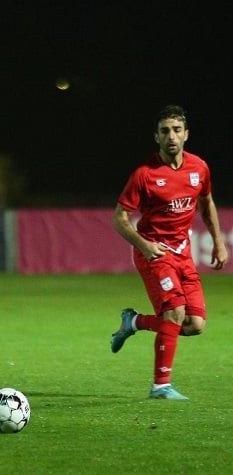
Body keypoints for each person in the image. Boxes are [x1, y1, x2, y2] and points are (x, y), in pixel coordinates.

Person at [110, 104, 228, 400]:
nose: (171, 136)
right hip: (154, 253)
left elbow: (207, 202)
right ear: (156, 137)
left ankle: (134, 322)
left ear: (186, 134)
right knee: (175, 313)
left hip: (183, 253)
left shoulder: (199, 168)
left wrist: (218, 241)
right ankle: (160, 386)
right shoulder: (144, 175)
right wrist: (145, 245)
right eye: (165, 131)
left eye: (176, 130)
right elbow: (119, 218)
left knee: (195, 325)